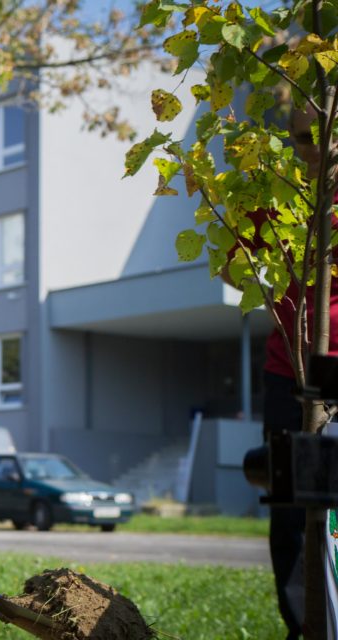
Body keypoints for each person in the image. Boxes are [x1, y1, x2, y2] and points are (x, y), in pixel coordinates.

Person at [226, 106, 338, 639]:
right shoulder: (277, 193)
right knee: (291, 506)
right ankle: (304, 627)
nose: (313, 147)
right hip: (287, 371)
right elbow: (236, 266)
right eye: (300, 137)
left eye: (324, 134)